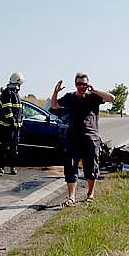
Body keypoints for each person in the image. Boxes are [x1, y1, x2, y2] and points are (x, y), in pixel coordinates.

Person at [51, 73, 114, 207]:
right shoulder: (70, 97)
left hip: (91, 138)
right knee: (71, 168)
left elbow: (112, 98)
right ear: (75, 84)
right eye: (79, 84)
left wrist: (94, 90)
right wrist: (56, 91)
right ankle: (71, 197)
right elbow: (55, 106)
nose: (81, 87)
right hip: (73, 138)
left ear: (87, 84)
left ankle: (90, 193)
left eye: (84, 84)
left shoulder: (94, 97)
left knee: (91, 167)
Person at [0, 71, 25, 175]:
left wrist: (20, 121)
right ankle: (1, 167)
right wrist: (13, 123)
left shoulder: (16, 94)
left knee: (14, 149)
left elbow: (18, 111)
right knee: (4, 148)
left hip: (16, 127)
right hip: (7, 127)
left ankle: (12, 167)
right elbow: (8, 110)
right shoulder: (7, 93)